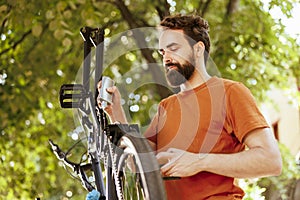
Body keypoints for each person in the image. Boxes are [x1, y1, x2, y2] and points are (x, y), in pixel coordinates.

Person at [97, 14, 282, 200]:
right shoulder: (166, 107)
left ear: (198, 49)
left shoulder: (230, 92)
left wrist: (199, 161)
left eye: (173, 48)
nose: (166, 58)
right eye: (162, 52)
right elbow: (139, 165)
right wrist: (117, 113)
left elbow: (270, 160)